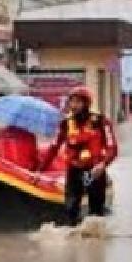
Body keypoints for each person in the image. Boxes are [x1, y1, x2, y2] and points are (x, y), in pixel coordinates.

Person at [39, 86, 118, 226]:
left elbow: (112, 148)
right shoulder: (65, 124)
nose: (74, 106)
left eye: (78, 102)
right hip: (74, 171)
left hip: (94, 172)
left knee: (96, 212)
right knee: (70, 209)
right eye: (72, 102)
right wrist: (40, 171)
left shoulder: (101, 122)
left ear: (86, 104)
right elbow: (53, 148)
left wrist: (102, 164)